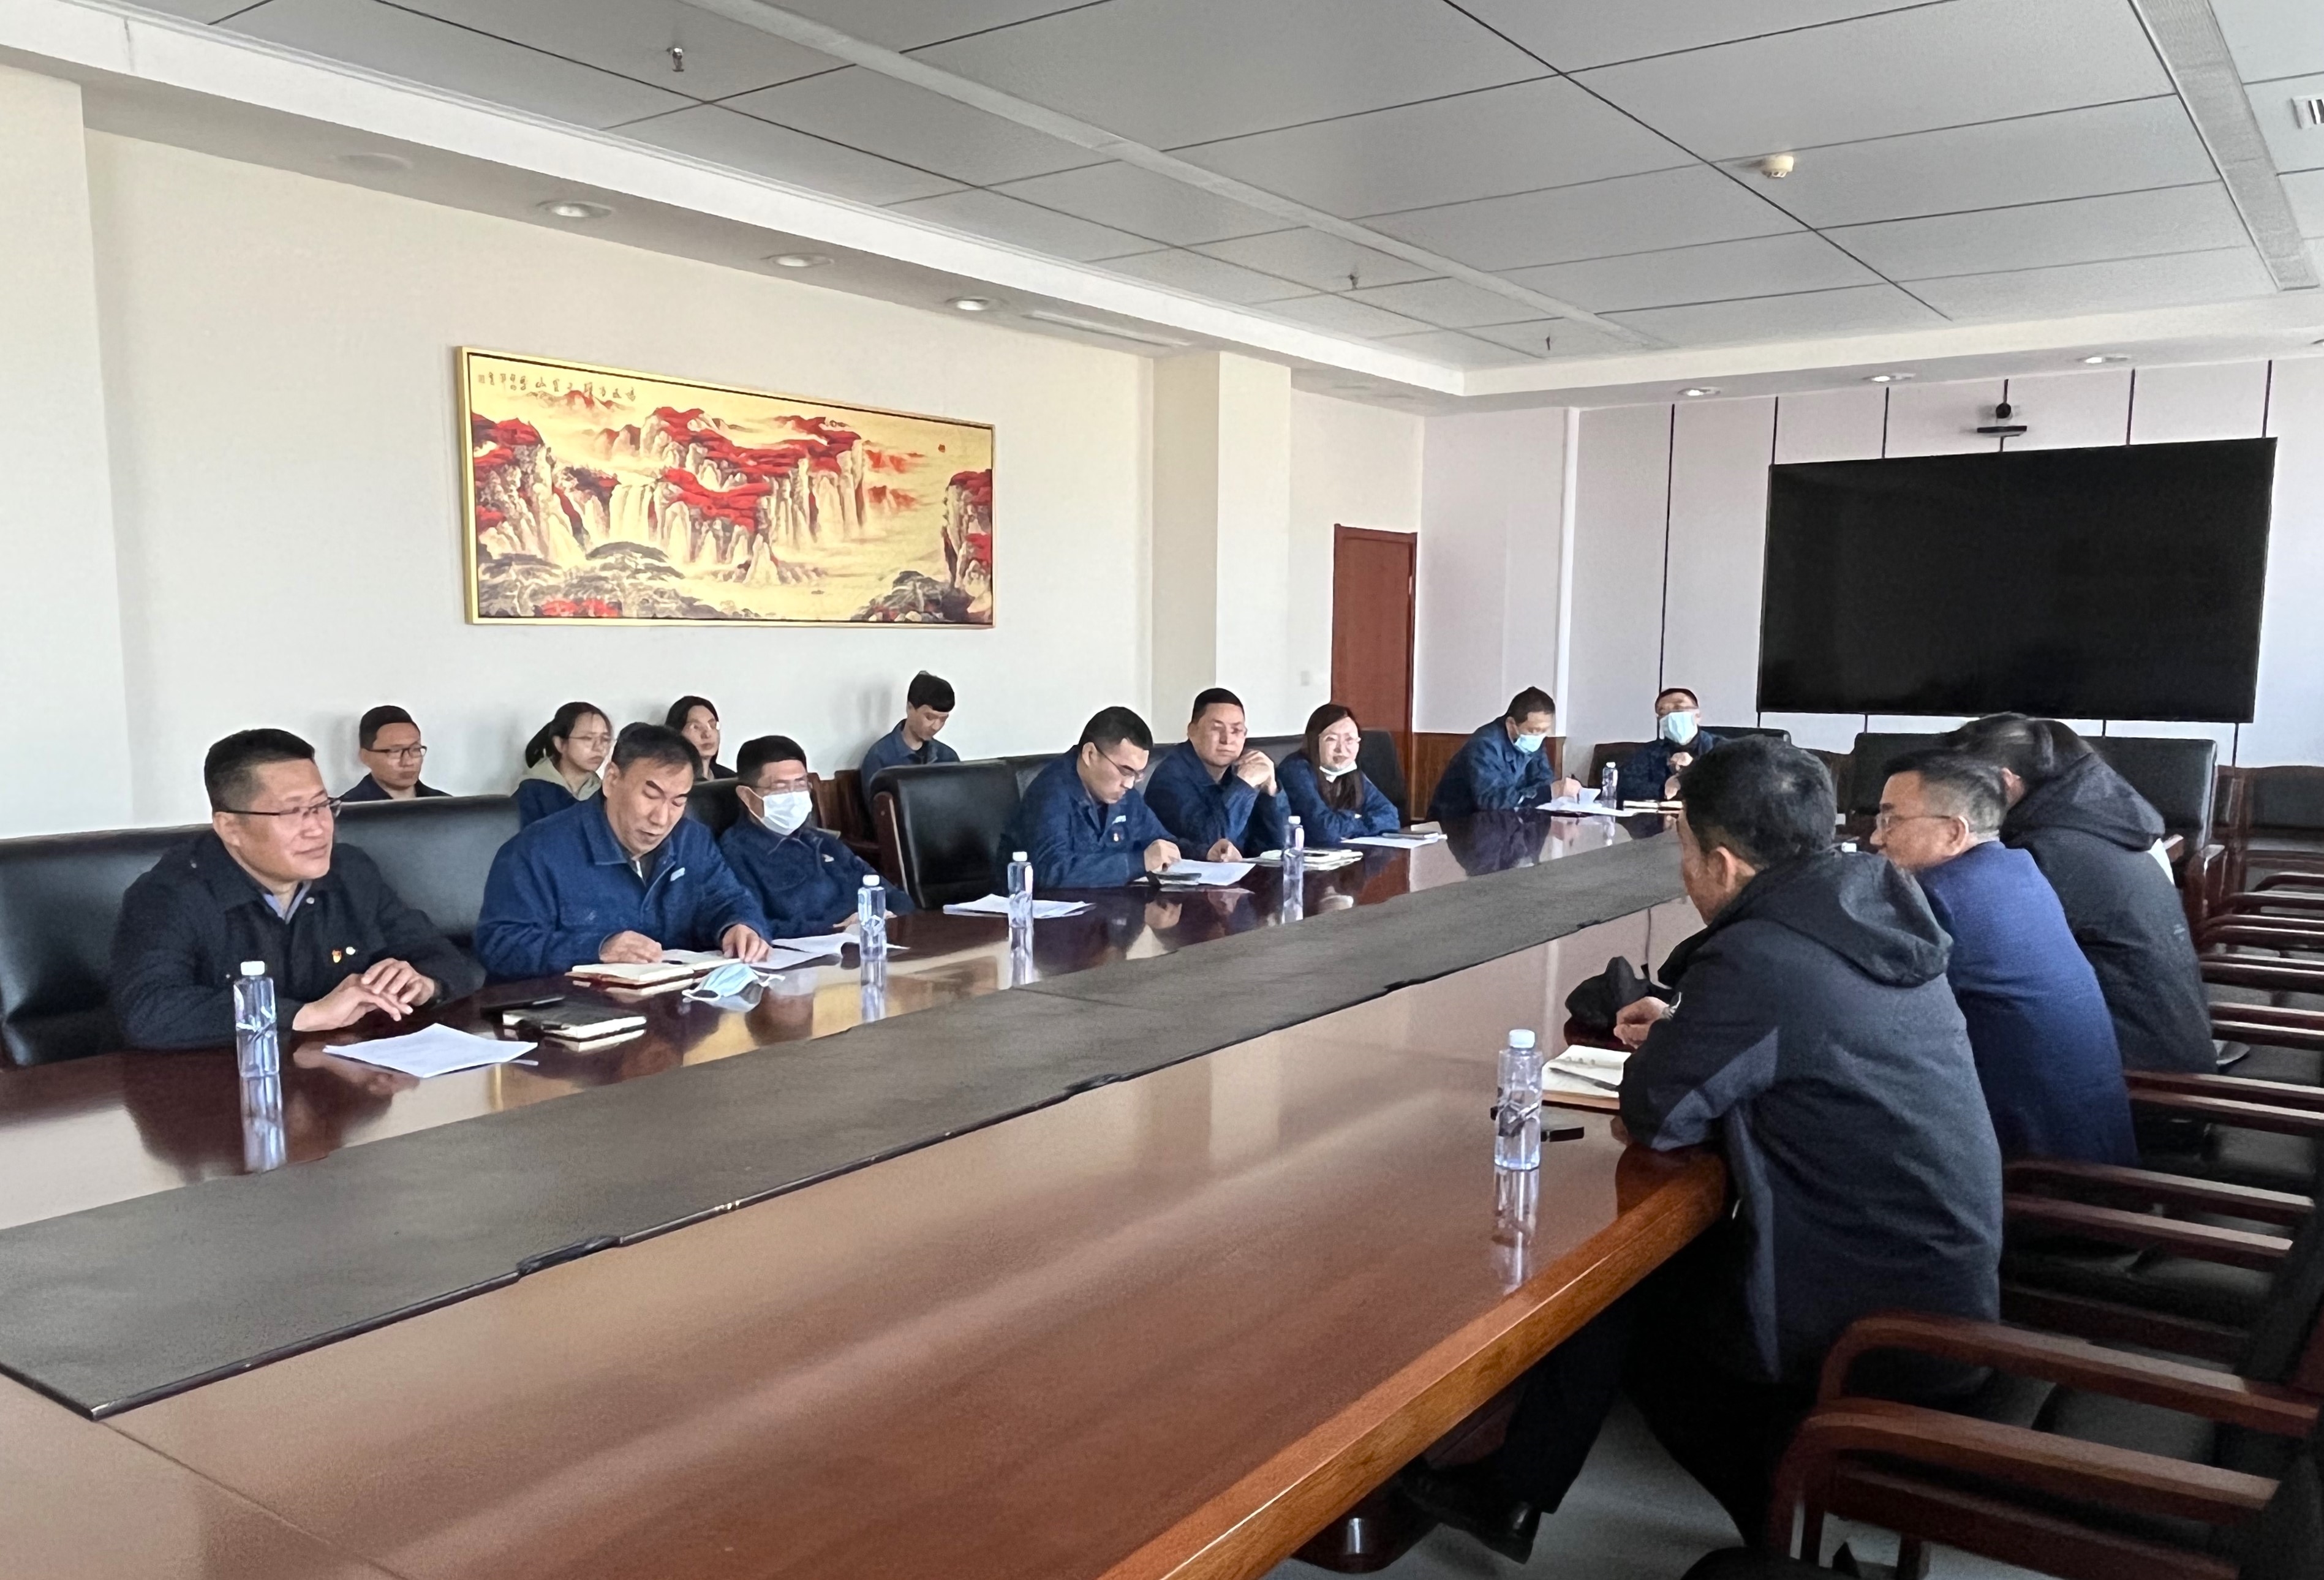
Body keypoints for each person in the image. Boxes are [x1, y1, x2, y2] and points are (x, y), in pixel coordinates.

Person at [1404, 738, 2000, 1558]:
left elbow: (1659, 1114)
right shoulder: (1872, 911)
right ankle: (1515, 1489)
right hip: (1939, 1277)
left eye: (1681, 849)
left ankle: (1780, 1534)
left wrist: (1687, 1037)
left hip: (1866, 1317)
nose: (1681, 871)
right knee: (1647, 1280)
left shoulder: (1761, 956)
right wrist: (1695, 1026)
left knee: (1628, 1298)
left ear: (1721, 864)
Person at [110, 729, 483, 1048]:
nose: (318, 828)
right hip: (215, 1092)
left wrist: (425, 984)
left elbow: (450, 958)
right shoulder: (170, 894)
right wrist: (303, 1015)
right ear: (231, 828)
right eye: (292, 813)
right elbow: (148, 1011)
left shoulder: (351, 872)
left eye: (322, 805)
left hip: (339, 1082)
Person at [1871, 750, 2137, 1164]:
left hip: (2034, 1174)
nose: (1876, 838)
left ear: (1954, 833)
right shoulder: (2020, 870)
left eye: (1892, 821)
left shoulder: (1936, 900)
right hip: (2091, 1148)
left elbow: (1880, 1029)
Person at [1944, 715, 2212, 1074]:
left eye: (1953, 787)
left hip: (2140, 1082)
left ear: (2005, 784)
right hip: (2167, 1053)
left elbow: (1965, 960)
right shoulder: (2105, 827)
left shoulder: (2046, 855)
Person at [476, 723, 772, 979]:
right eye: (651, 796)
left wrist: (740, 927)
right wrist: (598, 948)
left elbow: (728, 899)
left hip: (673, 1009)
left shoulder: (692, 842)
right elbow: (501, 946)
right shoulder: (538, 851)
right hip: (573, 1013)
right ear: (612, 780)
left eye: (678, 802)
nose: (661, 818)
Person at [722, 734, 915, 936]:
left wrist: (895, 918)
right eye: (780, 787)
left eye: (800, 784)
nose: (793, 796)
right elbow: (753, 927)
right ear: (747, 796)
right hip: (815, 949)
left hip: (872, 942)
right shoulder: (735, 853)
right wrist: (836, 929)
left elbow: (892, 895)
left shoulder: (823, 842)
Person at [997, 707, 1179, 890]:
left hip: (1107, 904)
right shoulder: (1050, 793)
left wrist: (1189, 852)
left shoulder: (1124, 795)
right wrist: (1138, 863)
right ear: (1090, 754)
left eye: (1138, 774)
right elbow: (1052, 871)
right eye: (1125, 771)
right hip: (1036, 906)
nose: (1130, 784)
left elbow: (1159, 840)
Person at [1142, 688, 1289, 860]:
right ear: (1192, 731)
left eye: (1236, 731)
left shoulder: (1241, 768)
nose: (1227, 740)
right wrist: (1245, 785)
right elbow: (1214, 845)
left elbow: (1282, 845)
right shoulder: (1169, 778)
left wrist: (1271, 791)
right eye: (1217, 729)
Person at [1426, 687, 1583, 821]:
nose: (1538, 737)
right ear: (1511, 724)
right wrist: (1549, 792)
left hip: (1504, 825)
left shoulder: (1533, 741)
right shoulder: (1485, 745)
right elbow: (1491, 800)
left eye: (1544, 731)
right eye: (1533, 730)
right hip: (1456, 827)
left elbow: (1543, 780)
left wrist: (1546, 792)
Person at [1280, 703, 1399, 845]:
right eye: (1331, 739)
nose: (1341, 749)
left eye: (1350, 740)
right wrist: (1357, 819)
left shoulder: (1350, 772)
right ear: (1313, 742)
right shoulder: (1295, 770)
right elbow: (1324, 831)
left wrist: (1345, 823)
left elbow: (1391, 817)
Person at [859, 672, 959, 814]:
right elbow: (881, 816)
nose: (936, 726)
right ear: (910, 707)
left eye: (943, 719)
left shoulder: (948, 757)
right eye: (929, 717)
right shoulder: (880, 757)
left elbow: (958, 808)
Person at [1615, 687, 1726, 803]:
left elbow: (1731, 790)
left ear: (1698, 715)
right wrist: (1664, 788)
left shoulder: (1722, 749)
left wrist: (1692, 772)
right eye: (1664, 713)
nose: (1672, 717)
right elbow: (1625, 788)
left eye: (1678, 708)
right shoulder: (1648, 753)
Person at [516, 701, 611, 826]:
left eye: (605, 739)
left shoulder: (605, 795)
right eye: (587, 738)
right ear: (560, 744)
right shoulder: (530, 793)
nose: (599, 747)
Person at [341, 705, 448, 801]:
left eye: (415, 749)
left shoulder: (445, 806)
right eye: (395, 751)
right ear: (365, 756)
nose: (408, 762)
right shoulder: (346, 810)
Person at [665, 696, 732, 780]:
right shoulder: (669, 782)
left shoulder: (731, 779)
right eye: (696, 727)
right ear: (677, 733)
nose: (707, 734)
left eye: (712, 725)